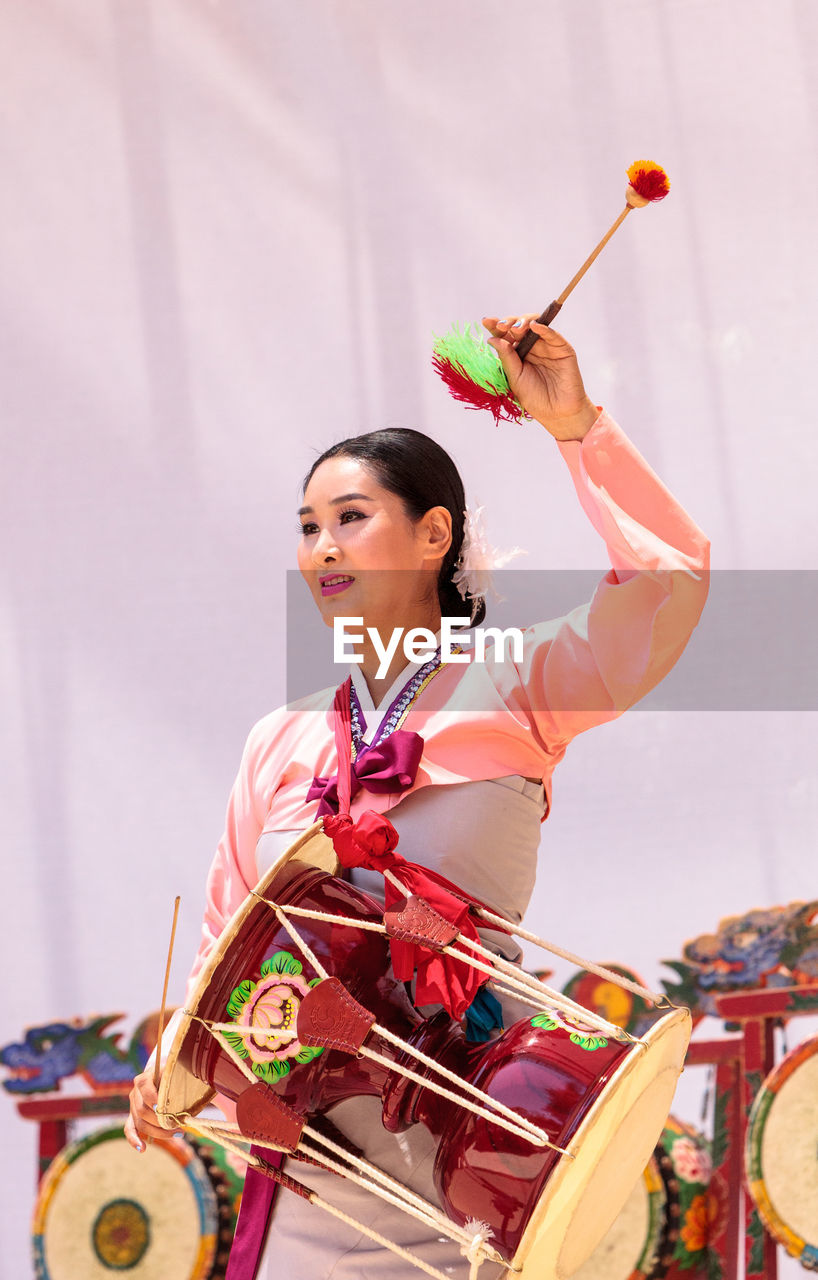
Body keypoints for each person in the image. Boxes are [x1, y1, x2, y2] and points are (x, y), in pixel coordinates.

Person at [125, 317, 710, 1280]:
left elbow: (668, 584)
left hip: (484, 1148)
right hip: (316, 1156)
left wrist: (576, 427)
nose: (323, 547)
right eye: (308, 527)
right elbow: (226, 946)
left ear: (434, 533)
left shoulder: (518, 680)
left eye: (352, 516)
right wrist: (177, 1063)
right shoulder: (278, 740)